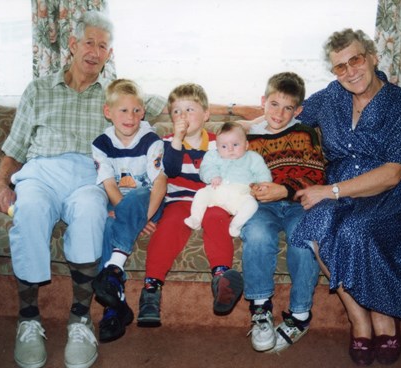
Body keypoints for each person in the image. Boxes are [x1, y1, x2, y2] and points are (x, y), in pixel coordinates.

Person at [0, 11, 165, 368]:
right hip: (40, 172)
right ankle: (28, 320)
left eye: (103, 46)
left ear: (109, 53)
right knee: (31, 210)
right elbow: (15, 146)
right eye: (89, 42)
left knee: (89, 212)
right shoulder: (38, 89)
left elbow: (161, 106)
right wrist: (0, 182)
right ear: (72, 44)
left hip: (89, 174)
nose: (95, 52)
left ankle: (80, 320)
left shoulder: (115, 94)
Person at [291, 29, 401, 366]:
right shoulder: (330, 97)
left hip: (392, 192)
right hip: (342, 189)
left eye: (356, 59)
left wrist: (329, 190)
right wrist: (230, 116)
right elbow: (284, 115)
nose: (350, 71)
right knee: (315, 224)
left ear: (373, 56)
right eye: (339, 67)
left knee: (355, 230)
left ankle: (383, 315)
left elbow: (394, 173)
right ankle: (357, 317)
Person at [137, 84, 245, 327]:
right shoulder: (166, 142)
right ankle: (151, 288)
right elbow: (172, 170)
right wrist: (177, 139)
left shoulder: (220, 143)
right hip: (181, 200)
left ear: (206, 114)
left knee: (217, 218)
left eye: (189, 109)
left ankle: (221, 278)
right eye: (176, 111)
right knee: (170, 225)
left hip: (213, 199)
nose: (182, 116)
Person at [240, 72, 326, 353]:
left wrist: (284, 190)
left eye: (289, 107)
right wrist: (252, 189)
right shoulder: (250, 136)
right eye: (274, 104)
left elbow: (314, 175)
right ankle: (261, 308)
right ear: (263, 102)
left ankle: (300, 315)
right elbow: (234, 168)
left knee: (303, 239)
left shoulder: (304, 132)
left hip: (297, 202)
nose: (280, 113)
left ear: (298, 110)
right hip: (262, 206)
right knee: (255, 233)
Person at [90, 79, 167, 343]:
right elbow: (109, 183)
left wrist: (141, 218)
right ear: (108, 112)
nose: (130, 117)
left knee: (140, 192)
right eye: (123, 110)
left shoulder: (151, 139)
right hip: (120, 206)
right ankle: (114, 308)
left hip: (149, 204)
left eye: (136, 110)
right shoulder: (101, 143)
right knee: (108, 225)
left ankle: (113, 270)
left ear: (143, 112)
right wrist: (125, 215)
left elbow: (160, 182)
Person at [184, 122, 272, 237]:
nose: (230, 149)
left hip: (241, 195)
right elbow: (205, 168)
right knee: (201, 194)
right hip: (217, 190)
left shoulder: (253, 158)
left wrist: (262, 185)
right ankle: (196, 218)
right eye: (224, 146)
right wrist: (213, 176)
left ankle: (235, 225)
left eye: (235, 144)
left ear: (246, 145)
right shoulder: (212, 155)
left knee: (252, 205)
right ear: (217, 147)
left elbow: (262, 172)